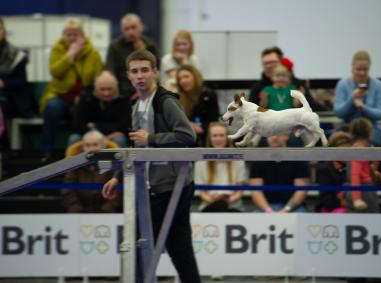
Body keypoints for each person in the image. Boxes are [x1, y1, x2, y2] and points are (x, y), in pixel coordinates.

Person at [101, 50, 200, 283]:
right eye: (134, 71)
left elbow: (187, 135)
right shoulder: (137, 105)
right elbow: (138, 147)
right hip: (158, 185)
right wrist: (117, 176)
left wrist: (152, 139)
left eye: (145, 70)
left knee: (139, 246)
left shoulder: (166, 100)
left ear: (155, 72)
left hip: (170, 186)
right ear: (128, 76)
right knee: (180, 247)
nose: (140, 76)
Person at [39, 18, 103, 161]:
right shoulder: (57, 49)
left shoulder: (92, 53)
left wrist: (85, 95)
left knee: (87, 110)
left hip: (85, 95)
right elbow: (55, 72)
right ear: (64, 35)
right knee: (51, 108)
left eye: (76, 34)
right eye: (69, 34)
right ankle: (47, 151)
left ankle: (90, 149)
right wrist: (70, 54)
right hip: (61, 94)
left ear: (82, 35)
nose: (72, 37)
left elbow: (98, 78)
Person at [334, 51, 381, 146]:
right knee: (339, 141)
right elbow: (338, 113)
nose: (362, 73)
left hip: (372, 128)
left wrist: (362, 107)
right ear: (352, 67)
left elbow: (380, 114)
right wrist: (352, 99)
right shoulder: (343, 84)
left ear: (369, 68)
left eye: (365, 69)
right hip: (348, 127)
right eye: (358, 69)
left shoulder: (378, 85)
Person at [62, 130, 122, 213]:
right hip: (78, 215)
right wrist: (75, 210)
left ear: (103, 146)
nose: (91, 149)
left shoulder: (113, 163)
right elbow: (68, 190)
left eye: (95, 145)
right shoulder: (74, 165)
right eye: (88, 145)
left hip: (107, 215)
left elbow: (117, 191)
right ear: (83, 147)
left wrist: (107, 211)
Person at [68, 71, 131, 148]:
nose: (106, 93)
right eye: (102, 89)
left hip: (112, 136)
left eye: (110, 89)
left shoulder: (124, 98)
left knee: (120, 140)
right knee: (74, 139)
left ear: (116, 86)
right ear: (95, 87)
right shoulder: (85, 97)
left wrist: (94, 126)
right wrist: (94, 136)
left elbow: (124, 125)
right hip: (89, 134)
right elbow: (77, 124)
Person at [249, 46, 324, 111]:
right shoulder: (257, 88)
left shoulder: (297, 85)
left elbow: (313, 107)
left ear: (281, 62)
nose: (269, 66)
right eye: (266, 63)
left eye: (272, 62)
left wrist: (299, 102)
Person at [249, 134, 310, 213]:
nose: (274, 137)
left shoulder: (298, 157)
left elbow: (301, 190)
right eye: (270, 133)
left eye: (278, 133)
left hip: (293, 208)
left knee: (302, 217)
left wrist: (286, 209)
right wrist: (268, 210)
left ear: (287, 135)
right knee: (254, 218)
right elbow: (256, 190)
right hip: (265, 208)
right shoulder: (258, 159)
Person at [194, 122, 247, 212]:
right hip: (209, 206)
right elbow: (202, 193)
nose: (218, 139)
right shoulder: (200, 163)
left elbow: (239, 191)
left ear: (227, 138)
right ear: (209, 139)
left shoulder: (238, 162)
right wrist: (213, 200)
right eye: (215, 136)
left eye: (221, 135)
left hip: (233, 206)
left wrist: (228, 200)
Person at [106, 13, 158, 98]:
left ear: (141, 27)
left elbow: (156, 71)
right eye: (126, 29)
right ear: (122, 30)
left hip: (148, 91)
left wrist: (143, 52)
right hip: (123, 92)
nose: (130, 32)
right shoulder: (115, 47)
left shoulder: (150, 45)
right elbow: (110, 71)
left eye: (134, 27)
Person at [0, 17, 36, 118]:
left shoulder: (17, 55)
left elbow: (22, 82)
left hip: (13, 98)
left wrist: (3, 83)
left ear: (4, 31)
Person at [176, 64, 220, 146]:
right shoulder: (177, 98)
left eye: (186, 76)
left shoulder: (209, 95)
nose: (183, 81)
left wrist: (199, 127)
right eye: (180, 79)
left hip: (206, 140)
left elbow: (214, 122)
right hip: (185, 140)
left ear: (195, 77)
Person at [347, 118, 381, 213]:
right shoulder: (360, 149)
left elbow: (373, 169)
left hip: (365, 189)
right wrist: (357, 199)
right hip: (362, 192)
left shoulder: (366, 148)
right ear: (369, 132)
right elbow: (355, 174)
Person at [316, 131, 352, 213]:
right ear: (333, 148)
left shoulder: (353, 167)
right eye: (342, 146)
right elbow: (327, 201)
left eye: (348, 146)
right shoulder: (324, 169)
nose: (346, 149)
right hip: (331, 210)